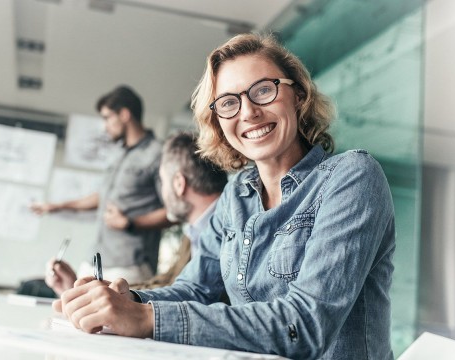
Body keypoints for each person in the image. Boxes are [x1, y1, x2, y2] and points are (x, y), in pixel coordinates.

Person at [53, 33, 396, 359]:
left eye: (264, 90)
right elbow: (195, 289)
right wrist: (125, 299)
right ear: (218, 122)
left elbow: (304, 325)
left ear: (299, 96)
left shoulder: (352, 177)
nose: (248, 112)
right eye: (229, 102)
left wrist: (145, 318)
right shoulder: (237, 195)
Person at [46, 132, 228, 295]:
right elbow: (169, 286)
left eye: (163, 182)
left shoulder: (227, 233)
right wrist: (81, 291)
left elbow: (192, 302)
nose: (162, 195)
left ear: (179, 184)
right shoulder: (194, 234)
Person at [31, 85, 172, 284]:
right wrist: (58, 206)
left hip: (129, 266)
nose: (105, 126)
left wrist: (131, 223)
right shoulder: (118, 153)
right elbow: (103, 196)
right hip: (95, 259)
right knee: (71, 311)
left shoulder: (158, 154)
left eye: (107, 118)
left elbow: (175, 211)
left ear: (124, 114)